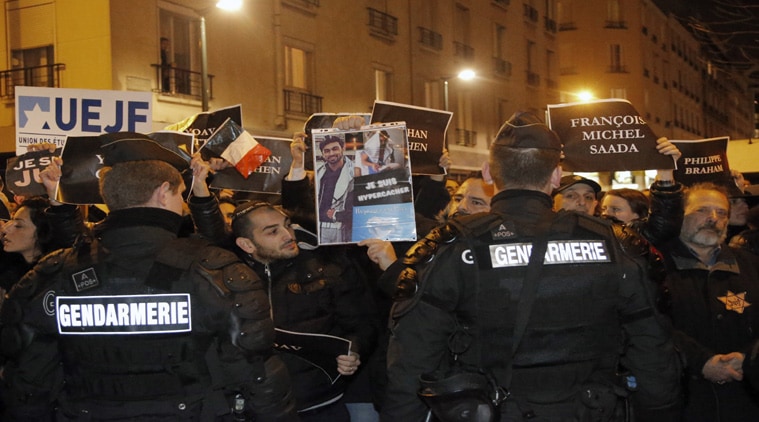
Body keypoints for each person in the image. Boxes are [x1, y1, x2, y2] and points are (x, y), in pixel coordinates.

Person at [381, 112, 681, 421]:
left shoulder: (453, 245)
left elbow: (413, 359)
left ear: (487, 173)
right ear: (555, 176)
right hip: (591, 409)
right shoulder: (615, 243)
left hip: (494, 408)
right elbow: (653, 349)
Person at [0, 135, 298, 421]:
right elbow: (258, 377)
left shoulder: (55, 272)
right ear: (163, 191)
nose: (181, 203)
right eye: (181, 194)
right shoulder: (214, 272)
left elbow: (28, 381)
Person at [231, 201, 378, 421]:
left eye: (287, 225)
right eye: (273, 232)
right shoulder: (234, 279)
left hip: (322, 404)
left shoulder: (325, 268)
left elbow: (362, 324)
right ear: (247, 244)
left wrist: (353, 351)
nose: (288, 235)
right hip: (261, 406)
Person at [658, 182, 759, 421]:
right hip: (683, 399)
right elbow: (652, 325)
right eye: (701, 210)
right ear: (679, 216)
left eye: (721, 212)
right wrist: (701, 361)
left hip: (746, 397)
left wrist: (747, 358)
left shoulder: (751, 265)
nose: (713, 218)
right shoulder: (655, 265)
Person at [315, 134, 355, 243]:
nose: (331, 153)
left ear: (343, 149)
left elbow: (357, 210)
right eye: (327, 151)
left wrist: (337, 215)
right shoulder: (318, 172)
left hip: (340, 228)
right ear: (323, 154)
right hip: (318, 227)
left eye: (335, 149)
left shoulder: (354, 173)